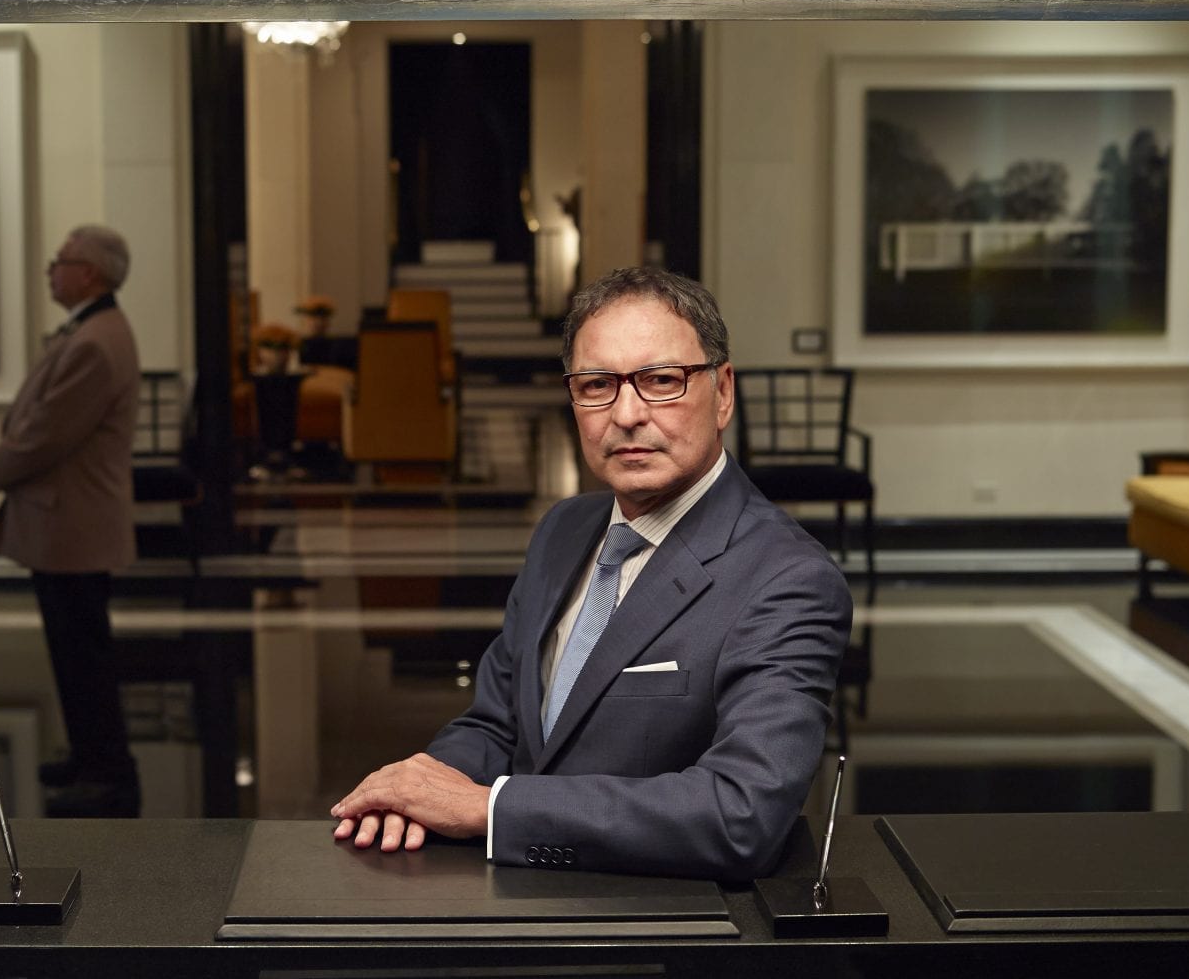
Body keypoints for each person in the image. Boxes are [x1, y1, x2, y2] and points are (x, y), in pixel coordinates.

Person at [330, 266, 852, 879]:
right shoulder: (563, 531)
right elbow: (498, 723)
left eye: (661, 380)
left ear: (724, 392)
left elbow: (742, 813)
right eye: (598, 384)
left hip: (659, 936)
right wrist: (422, 787)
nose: (626, 413)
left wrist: (489, 808)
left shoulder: (787, 580)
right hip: (513, 911)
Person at [0, 224, 142, 817]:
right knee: (73, 649)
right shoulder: (92, 330)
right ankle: (89, 752)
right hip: (67, 520)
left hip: (74, 521)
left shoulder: (96, 341)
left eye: (61, 261)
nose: (52, 269)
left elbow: (47, 432)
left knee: (84, 651)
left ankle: (105, 767)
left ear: (89, 274)